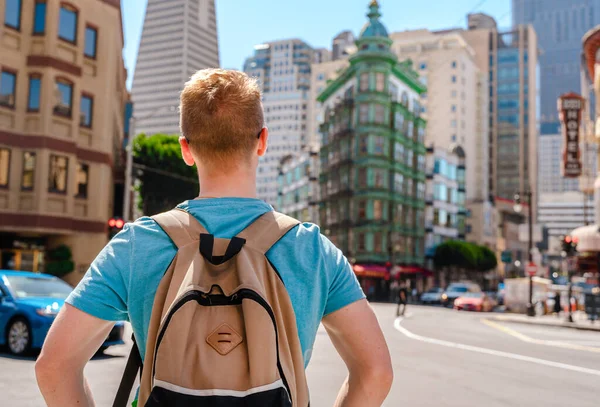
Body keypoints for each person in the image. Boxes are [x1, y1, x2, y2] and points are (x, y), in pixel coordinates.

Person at [35, 69, 393, 407]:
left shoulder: (136, 244)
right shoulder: (313, 250)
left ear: (185, 149)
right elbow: (376, 372)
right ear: (262, 141)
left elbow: (53, 366)